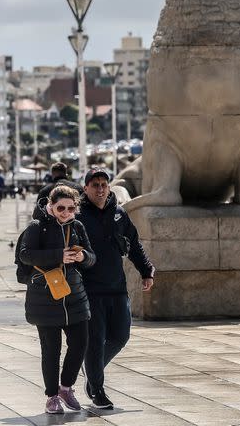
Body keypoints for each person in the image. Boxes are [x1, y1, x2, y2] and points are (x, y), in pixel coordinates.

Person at [77, 168, 155, 409]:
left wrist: (146, 271)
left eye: (104, 184)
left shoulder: (119, 214)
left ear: (109, 187)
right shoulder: (78, 216)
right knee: (95, 341)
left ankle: (92, 372)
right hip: (90, 290)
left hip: (117, 288)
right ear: (86, 188)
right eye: (95, 184)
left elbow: (134, 244)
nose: (100, 189)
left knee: (120, 337)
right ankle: (97, 389)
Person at [18, 186, 96, 415]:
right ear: (50, 206)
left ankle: (66, 387)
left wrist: (83, 256)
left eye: (71, 208)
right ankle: (52, 396)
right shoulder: (36, 227)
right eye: (60, 208)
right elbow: (25, 254)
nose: (65, 212)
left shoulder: (78, 226)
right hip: (45, 296)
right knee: (50, 351)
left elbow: (92, 258)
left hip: (74, 295)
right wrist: (57, 255)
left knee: (81, 343)